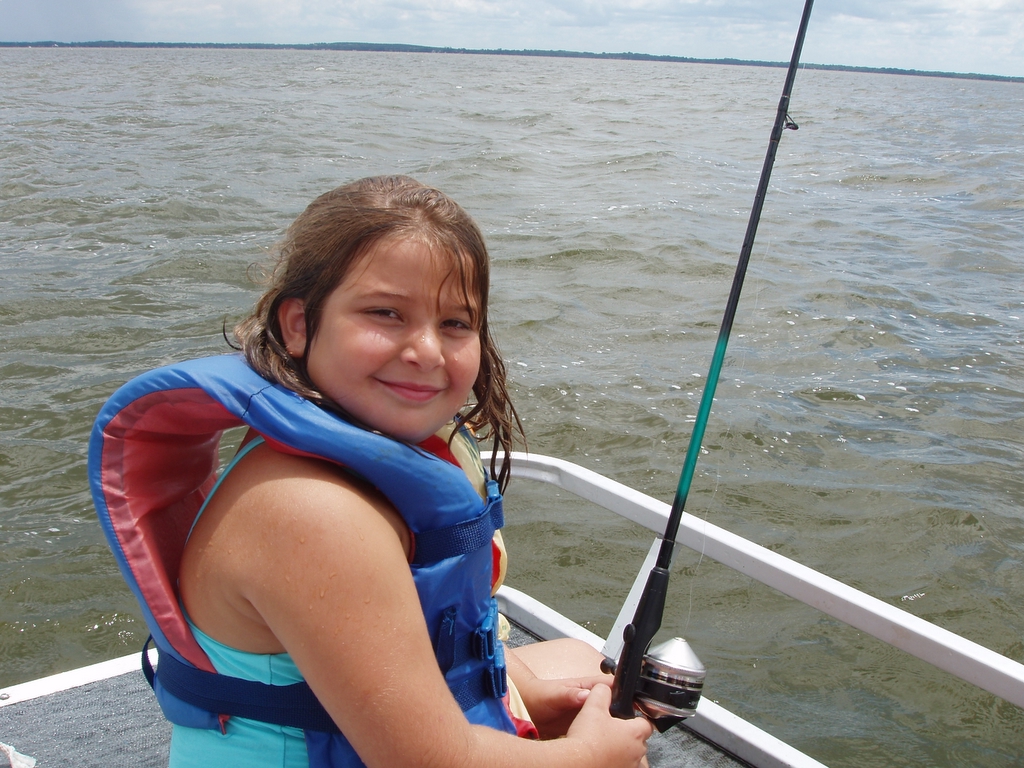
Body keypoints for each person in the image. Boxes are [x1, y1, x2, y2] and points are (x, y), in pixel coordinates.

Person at [159, 175, 652, 766]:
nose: (427, 351)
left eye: (455, 324)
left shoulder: (373, 449)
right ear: (298, 325)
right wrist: (590, 756)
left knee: (577, 663)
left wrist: (531, 696)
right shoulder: (309, 511)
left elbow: (449, 624)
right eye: (386, 313)